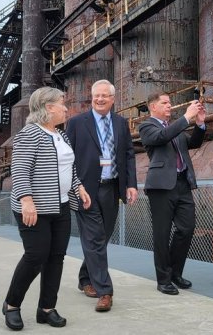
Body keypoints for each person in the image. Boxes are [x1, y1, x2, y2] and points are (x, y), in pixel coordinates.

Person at [3, 87, 91, 331]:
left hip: (60, 206)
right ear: (49, 107)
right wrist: (26, 199)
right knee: (35, 257)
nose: (66, 108)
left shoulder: (61, 136)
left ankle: (46, 309)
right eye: (62, 103)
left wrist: (79, 187)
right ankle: (11, 305)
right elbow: (19, 170)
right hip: (34, 208)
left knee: (56, 258)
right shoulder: (29, 134)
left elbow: (68, 169)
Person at [66, 79, 138, 312]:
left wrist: (131, 184)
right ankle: (105, 291)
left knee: (101, 237)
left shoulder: (120, 123)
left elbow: (128, 155)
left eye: (104, 96)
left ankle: (85, 278)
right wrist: (76, 186)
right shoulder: (77, 123)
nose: (99, 99)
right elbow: (69, 158)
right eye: (96, 95)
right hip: (86, 189)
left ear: (113, 99)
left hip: (111, 187)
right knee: (95, 238)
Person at [138, 92, 206, 295]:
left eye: (169, 102)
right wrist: (186, 118)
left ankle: (176, 272)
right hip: (161, 187)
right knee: (162, 233)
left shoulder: (174, 128)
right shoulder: (147, 126)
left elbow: (192, 143)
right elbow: (161, 138)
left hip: (183, 183)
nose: (169, 106)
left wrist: (200, 124)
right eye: (164, 103)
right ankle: (163, 279)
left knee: (187, 228)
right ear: (153, 107)